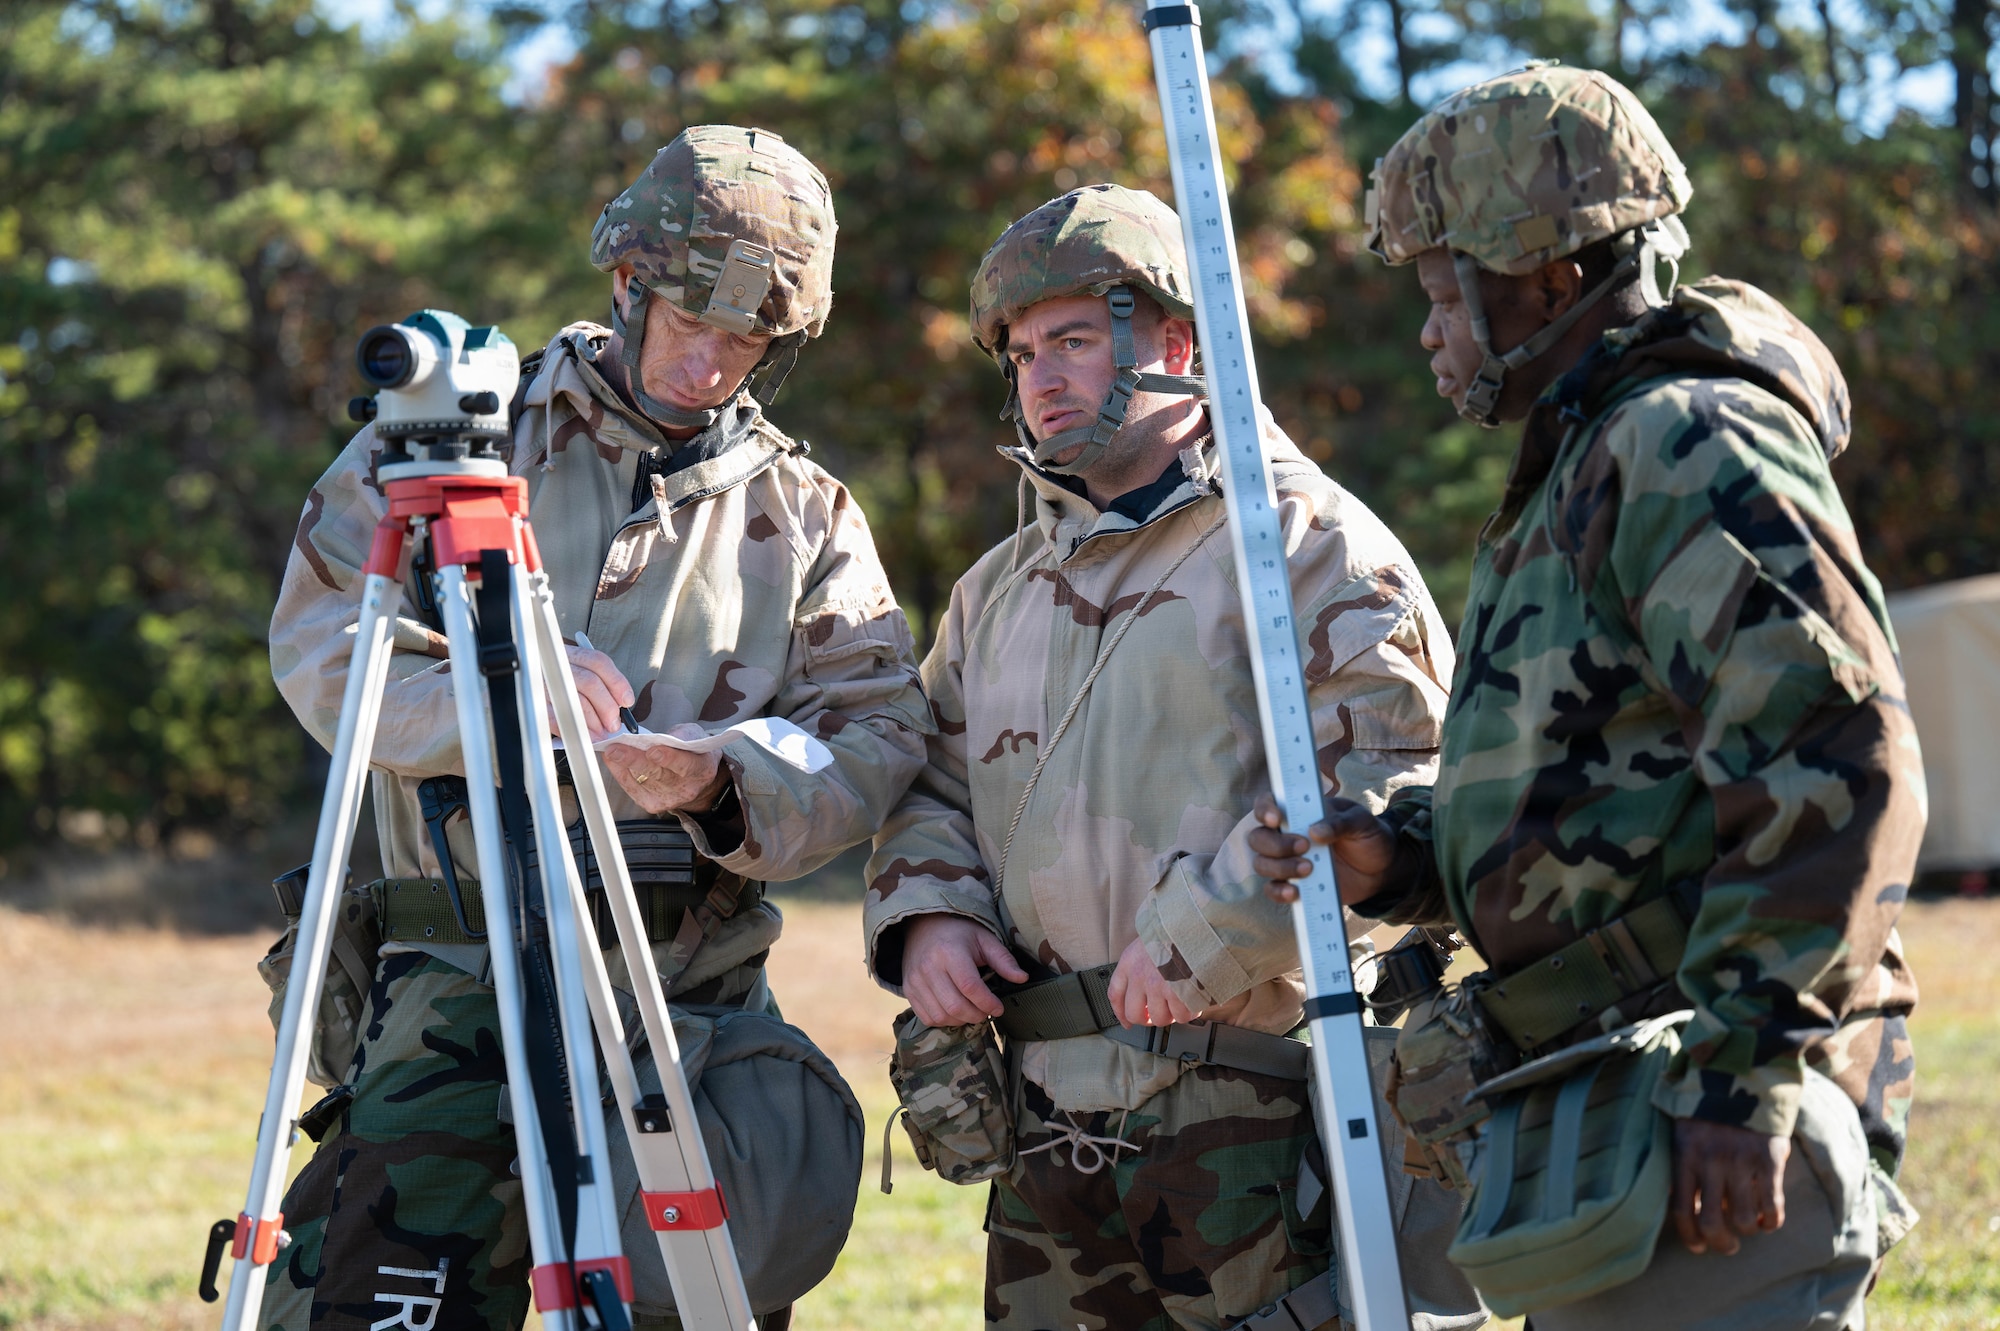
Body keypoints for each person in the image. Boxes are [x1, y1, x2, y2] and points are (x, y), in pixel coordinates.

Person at [1252, 64, 1924, 1330]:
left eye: (1444, 290)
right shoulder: (1575, 462)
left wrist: (1743, 1081)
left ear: (1547, 277)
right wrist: (1396, 852)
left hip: (1704, 1099)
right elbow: (1586, 787)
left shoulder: (1683, 441)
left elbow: (1835, 761)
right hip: (1609, 1099)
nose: (1427, 330)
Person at [263, 125, 931, 1330]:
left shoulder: (808, 512)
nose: (715, 363)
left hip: (686, 998)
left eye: (750, 341)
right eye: (693, 322)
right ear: (627, 284)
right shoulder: (450, 435)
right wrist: (502, 689)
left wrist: (721, 785)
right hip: (451, 985)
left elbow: (878, 736)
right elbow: (325, 655)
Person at [863, 183, 1478, 1331]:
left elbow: (1396, 793)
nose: (1041, 375)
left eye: (1076, 341)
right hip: (1039, 1118)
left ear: (1175, 345)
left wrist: (1211, 932)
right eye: (1024, 351)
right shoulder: (993, 591)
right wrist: (930, 916)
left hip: (1245, 1104)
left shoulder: (1305, 546)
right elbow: (927, 781)